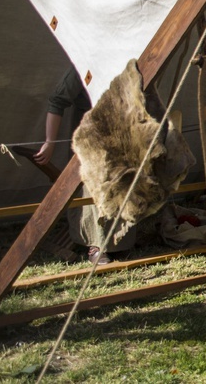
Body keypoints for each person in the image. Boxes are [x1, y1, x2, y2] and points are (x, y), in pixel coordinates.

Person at [35, 67, 134, 264]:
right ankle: (96, 245)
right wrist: (49, 142)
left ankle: (121, 242)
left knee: (121, 185)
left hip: (121, 136)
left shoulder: (128, 57)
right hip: (88, 139)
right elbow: (57, 100)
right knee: (91, 190)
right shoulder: (83, 62)